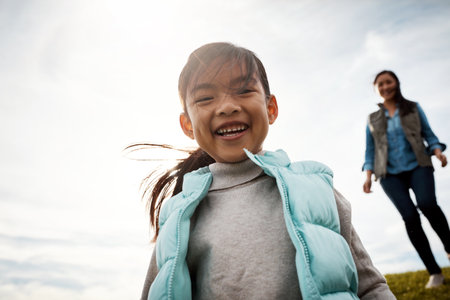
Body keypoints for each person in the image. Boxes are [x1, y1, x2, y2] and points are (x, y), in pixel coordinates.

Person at [140, 42, 395, 299]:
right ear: (187, 125)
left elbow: (370, 287)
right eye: (206, 98)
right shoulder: (179, 213)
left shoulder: (314, 189)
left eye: (243, 90)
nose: (227, 107)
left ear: (271, 108)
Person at [362, 70, 450, 289]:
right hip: (389, 174)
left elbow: (429, 134)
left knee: (427, 204)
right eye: (380, 84)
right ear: (376, 88)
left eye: (388, 82)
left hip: (418, 165)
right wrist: (368, 174)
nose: (385, 87)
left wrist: (437, 151)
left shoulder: (413, 108)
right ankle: (434, 272)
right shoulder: (372, 118)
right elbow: (370, 150)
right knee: (410, 217)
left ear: (396, 84)